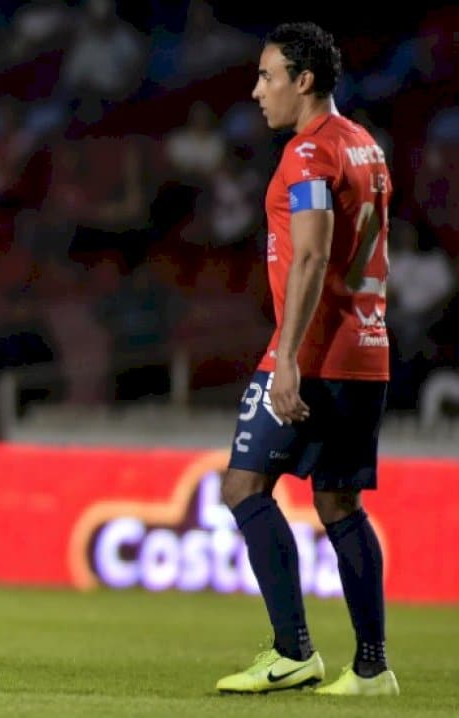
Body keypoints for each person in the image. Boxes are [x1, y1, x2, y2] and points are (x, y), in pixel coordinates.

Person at [215, 23, 397, 696]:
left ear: (305, 80)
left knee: (242, 488)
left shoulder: (310, 152)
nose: (257, 90)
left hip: (314, 351)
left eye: (268, 76)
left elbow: (314, 254)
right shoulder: (365, 145)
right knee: (339, 501)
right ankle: (372, 667)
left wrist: (286, 356)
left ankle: (293, 651)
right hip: (366, 350)